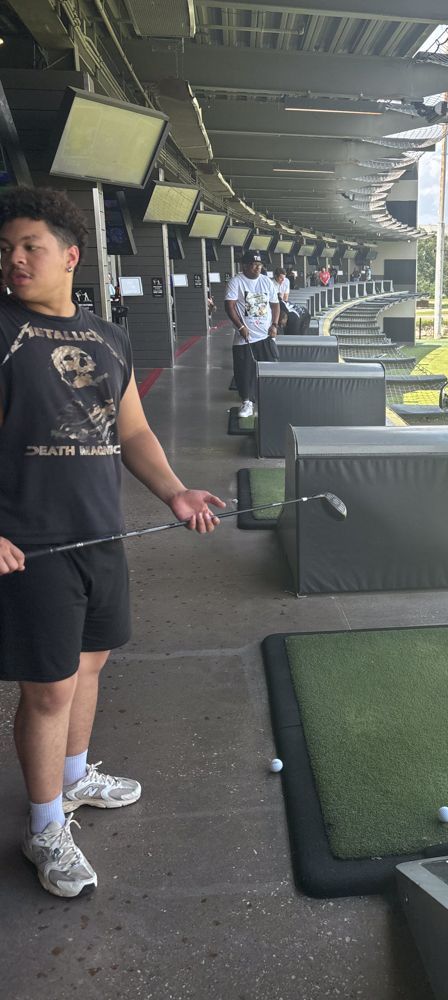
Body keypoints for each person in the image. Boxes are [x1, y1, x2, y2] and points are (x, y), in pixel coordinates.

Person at [0, 186, 225, 898]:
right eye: (6, 249)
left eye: (30, 247)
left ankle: (73, 779)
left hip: (101, 534)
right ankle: (44, 828)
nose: (14, 260)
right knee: (49, 688)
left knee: (90, 664)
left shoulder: (107, 337)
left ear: (71, 256)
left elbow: (132, 431)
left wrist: (175, 491)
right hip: (31, 544)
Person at [224, 250, 280, 419]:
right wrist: (240, 327)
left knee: (270, 368)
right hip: (245, 337)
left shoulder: (267, 282)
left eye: (259, 265)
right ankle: (247, 402)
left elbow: (275, 305)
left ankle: (270, 399)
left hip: (265, 335)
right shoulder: (236, 282)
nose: (257, 268)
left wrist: (275, 324)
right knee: (244, 371)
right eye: (254, 265)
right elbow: (229, 306)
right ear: (244, 266)